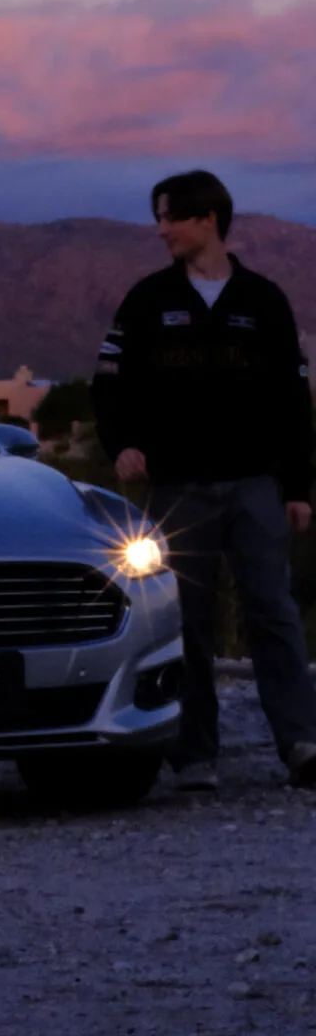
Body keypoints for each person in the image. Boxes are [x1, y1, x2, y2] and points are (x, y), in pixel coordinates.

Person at [92, 169, 316, 791]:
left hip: (255, 488)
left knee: (274, 612)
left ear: (209, 219)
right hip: (178, 490)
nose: (162, 229)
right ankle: (194, 755)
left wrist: (298, 487)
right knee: (185, 621)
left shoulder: (263, 301)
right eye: (158, 217)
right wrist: (124, 444)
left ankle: (301, 743)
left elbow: (294, 401)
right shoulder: (146, 301)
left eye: (172, 217)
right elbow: (108, 384)